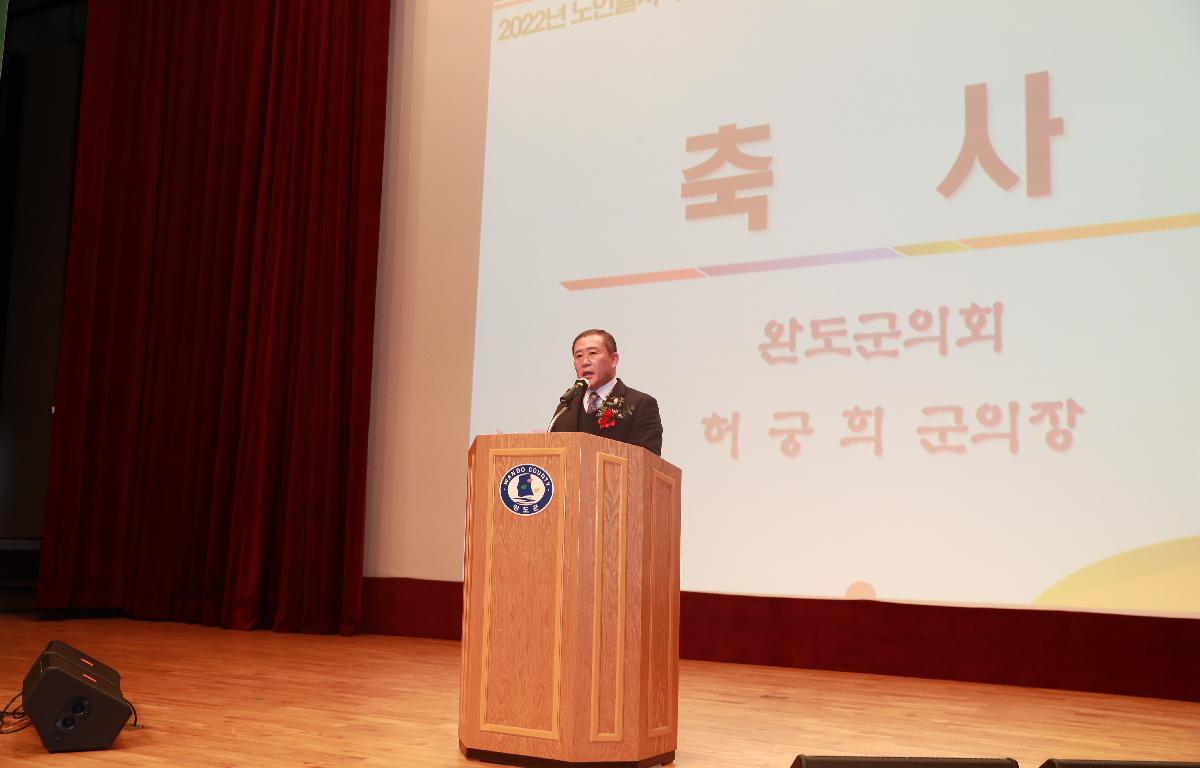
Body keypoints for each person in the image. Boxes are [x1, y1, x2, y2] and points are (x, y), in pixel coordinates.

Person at [549, 329, 663, 455]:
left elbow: (646, 460)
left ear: (614, 360)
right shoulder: (566, 406)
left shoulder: (640, 404)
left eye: (592, 353)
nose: (585, 362)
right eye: (579, 356)